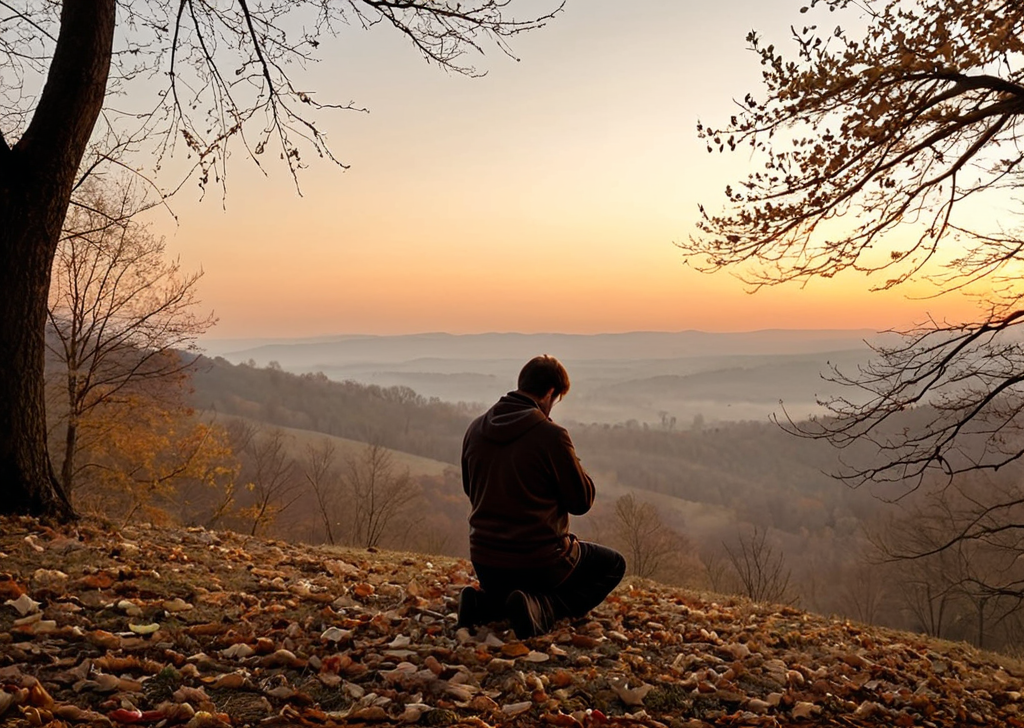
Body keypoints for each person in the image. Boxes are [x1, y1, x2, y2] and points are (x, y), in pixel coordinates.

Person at [459, 355, 625, 638]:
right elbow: (581, 502)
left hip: (485, 560)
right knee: (613, 565)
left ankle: (484, 604)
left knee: (507, 586)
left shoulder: (475, 428)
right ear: (549, 393)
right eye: (556, 399)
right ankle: (543, 608)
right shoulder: (551, 435)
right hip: (539, 562)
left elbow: (469, 488)